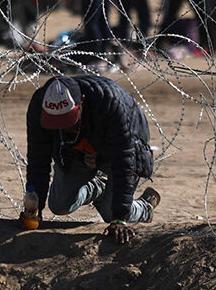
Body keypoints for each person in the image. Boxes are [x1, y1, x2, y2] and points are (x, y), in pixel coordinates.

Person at [23, 75, 160, 244]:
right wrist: (34, 209)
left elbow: (124, 161)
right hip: (76, 153)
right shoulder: (39, 105)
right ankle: (99, 187)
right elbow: (38, 159)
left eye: (67, 119)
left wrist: (119, 219)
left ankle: (145, 208)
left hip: (121, 151)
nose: (62, 126)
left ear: (82, 102)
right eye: (55, 121)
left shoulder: (112, 104)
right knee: (60, 205)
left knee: (110, 214)